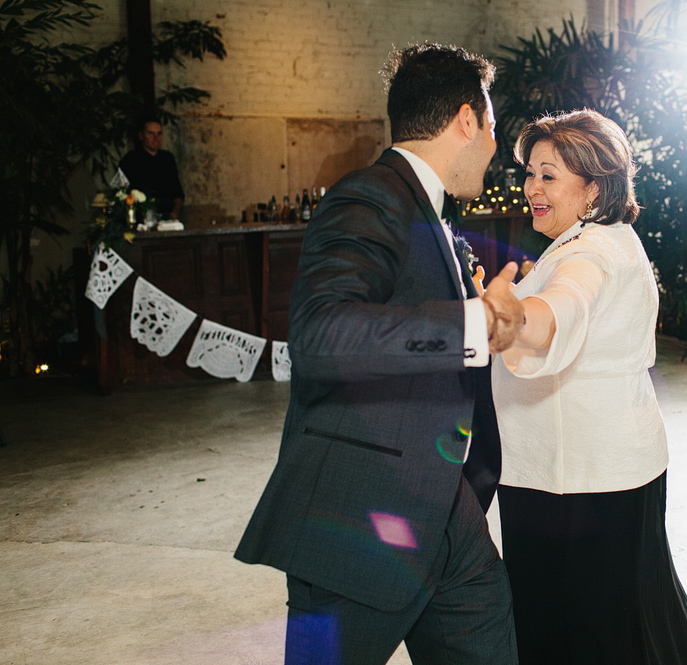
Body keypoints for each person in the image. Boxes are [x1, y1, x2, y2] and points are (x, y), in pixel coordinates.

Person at [235, 43, 523, 665]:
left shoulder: (429, 208)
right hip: (357, 518)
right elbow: (320, 335)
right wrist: (473, 322)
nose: (496, 147)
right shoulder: (366, 195)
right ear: (467, 122)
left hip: (445, 507)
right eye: (494, 127)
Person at [490, 109, 687, 664]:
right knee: (624, 621)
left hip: (578, 483)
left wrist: (514, 316)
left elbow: (563, 306)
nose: (532, 187)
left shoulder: (590, 252)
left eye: (548, 175)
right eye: (530, 172)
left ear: (592, 187)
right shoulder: (602, 238)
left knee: (587, 634)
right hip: (601, 471)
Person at [118, 118, 185, 219]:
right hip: (141, 220)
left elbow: (177, 192)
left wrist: (175, 213)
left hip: (167, 218)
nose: (156, 138)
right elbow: (122, 194)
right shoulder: (131, 160)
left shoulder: (167, 158)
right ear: (141, 136)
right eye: (151, 133)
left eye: (159, 133)